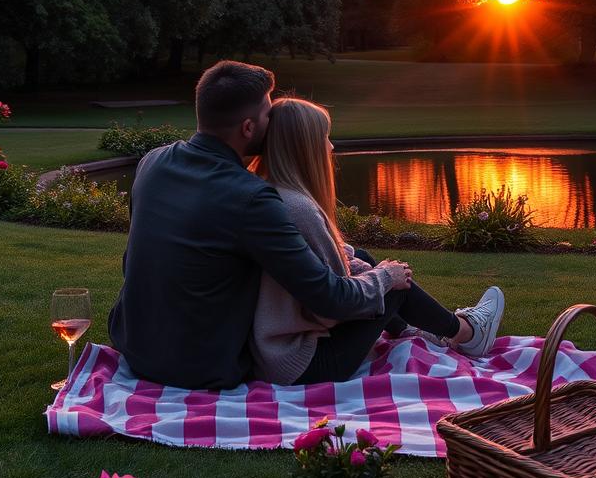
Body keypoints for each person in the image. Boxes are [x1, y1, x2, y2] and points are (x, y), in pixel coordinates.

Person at [108, 60, 503, 389]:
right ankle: (465, 332)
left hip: (135, 344)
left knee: (359, 262)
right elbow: (329, 298)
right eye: (268, 113)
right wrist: (383, 277)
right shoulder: (250, 197)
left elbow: (133, 263)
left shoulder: (153, 163)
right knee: (387, 281)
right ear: (248, 128)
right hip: (202, 365)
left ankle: (436, 329)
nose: (273, 119)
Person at [249, 96, 505, 385]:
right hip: (304, 363)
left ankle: (417, 330)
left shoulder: (271, 194)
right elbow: (336, 299)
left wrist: (372, 268)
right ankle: (467, 332)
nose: (331, 147)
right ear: (304, 148)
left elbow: (332, 260)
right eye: (324, 138)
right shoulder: (299, 208)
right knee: (394, 287)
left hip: (276, 354)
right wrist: (385, 277)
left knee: (364, 257)